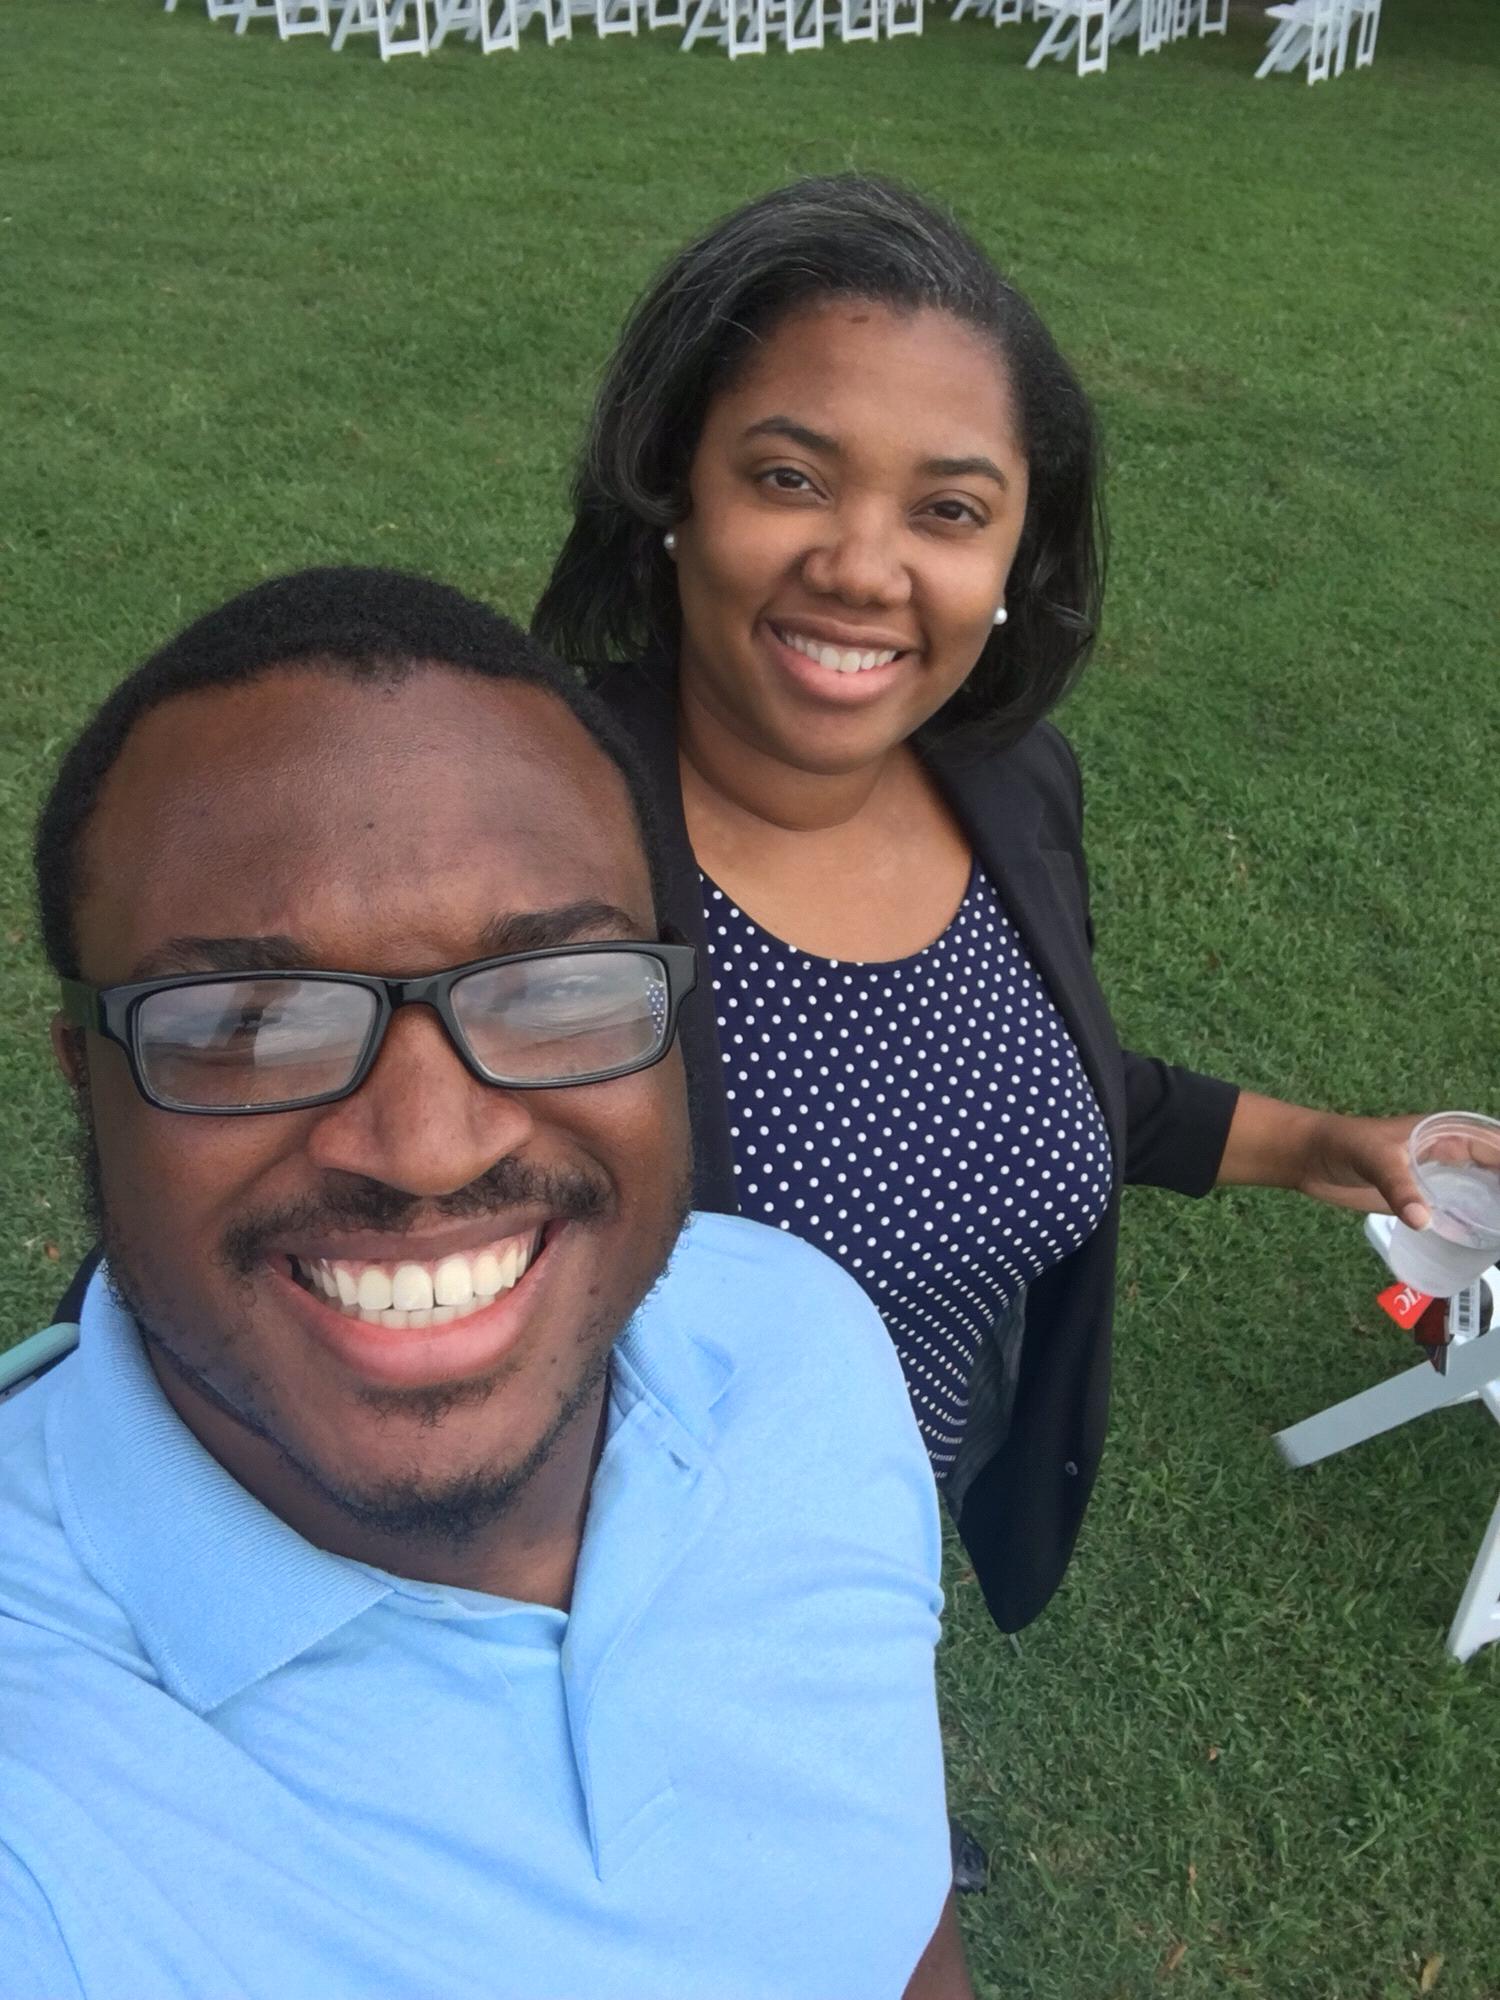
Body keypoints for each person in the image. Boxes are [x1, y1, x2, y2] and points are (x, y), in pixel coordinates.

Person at [0, 568, 969, 2000]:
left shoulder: (795, 1342)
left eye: (558, 987)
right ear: (90, 1084)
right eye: (249, 1022)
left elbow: (881, 1906)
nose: (426, 1149)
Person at [532, 174, 1440, 1641]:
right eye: (790, 478)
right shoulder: (527, 848)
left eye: (948, 510)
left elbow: (1000, 1072)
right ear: (673, 492)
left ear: (1014, 560)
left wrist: (1312, 1144)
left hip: (878, 1564)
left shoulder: (1008, 785)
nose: (862, 568)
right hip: (605, 1611)